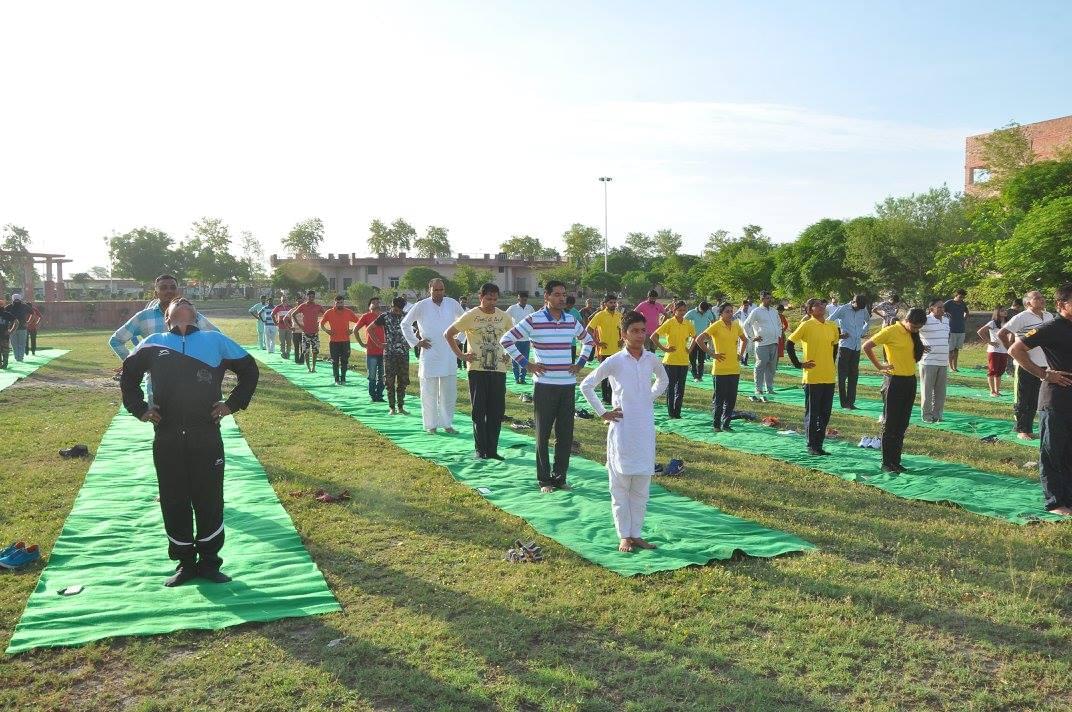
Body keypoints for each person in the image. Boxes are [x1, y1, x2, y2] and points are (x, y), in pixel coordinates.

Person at [119, 298, 259, 586]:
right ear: (167, 318)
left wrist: (232, 404)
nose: (181, 301)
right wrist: (140, 409)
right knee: (173, 499)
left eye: (188, 302)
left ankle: (210, 563)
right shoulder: (153, 342)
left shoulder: (215, 340)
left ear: (196, 315)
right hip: (167, 433)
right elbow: (128, 375)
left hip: (205, 433)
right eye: (175, 304)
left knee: (209, 498)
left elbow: (249, 370)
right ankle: (185, 562)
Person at [580, 310, 668, 552]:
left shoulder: (651, 358)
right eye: (634, 331)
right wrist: (603, 412)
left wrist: (648, 397)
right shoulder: (615, 360)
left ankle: (637, 533)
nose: (640, 335)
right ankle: (624, 535)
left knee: (641, 485)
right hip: (622, 427)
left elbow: (663, 380)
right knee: (620, 484)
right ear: (623, 334)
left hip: (644, 427)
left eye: (643, 330)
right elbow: (586, 385)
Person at [501, 280, 594, 493]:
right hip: (544, 385)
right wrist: (528, 364)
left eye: (564, 294)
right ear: (547, 297)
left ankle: (560, 478)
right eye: (557, 295)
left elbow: (588, 341)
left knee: (565, 434)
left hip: (567, 385)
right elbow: (506, 340)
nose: (562, 298)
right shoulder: (534, 320)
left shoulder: (571, 320)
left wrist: (580, 363)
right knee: (542, 434)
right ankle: (544, 480)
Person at [1010, 283, 1072, 515]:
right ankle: (1055, 502)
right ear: (1060, 304)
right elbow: (1015, 349)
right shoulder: (1050, 327)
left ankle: (1069, 498)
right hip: (1056, 398)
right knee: (1053, 450)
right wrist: (1044, 374)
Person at [109, 275, 217, 403]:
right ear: (156, 293)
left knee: (193, 417)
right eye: (163, 288)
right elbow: (116, 340)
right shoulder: (143, 317)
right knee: (160, 418)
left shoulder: (191, 314)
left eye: (172, 287)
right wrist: (135, 363)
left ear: (178, 292)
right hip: (157, 381)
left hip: (191, 378)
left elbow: (216, 337)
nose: (169, 291)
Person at [446, 283, 514, 460]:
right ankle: (480, 449)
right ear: (480, 297)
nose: (492, 302)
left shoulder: (504, 317)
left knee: (496, 411)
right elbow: (449, 334)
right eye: (488, 298)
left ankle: (492, 450)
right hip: (477, 370)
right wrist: (461, 355)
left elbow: (513, 338)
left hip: (498, 370)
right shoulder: (471, 316)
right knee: (479, 411)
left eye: (494, 299)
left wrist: (508, 354)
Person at [863, 308, 928, 473]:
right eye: (913, 326)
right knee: (891, 423)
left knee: (902, 424)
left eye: (918, 328)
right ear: (906, 319)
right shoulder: (891, 330)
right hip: (894, 381)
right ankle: (887, 462)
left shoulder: (913, 334)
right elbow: (867, 346)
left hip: (909, 381)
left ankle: (896, 461)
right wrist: (880, 366)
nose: (915, 330)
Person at [403, 279, 465, 434]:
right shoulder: (421, 305)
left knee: (449, 392)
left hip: (449, 353)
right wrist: (417, 342)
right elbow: (405, 324)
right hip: (429, 353)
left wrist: (459, 339)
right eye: (436, 290)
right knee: (428, 392)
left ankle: (447, 424)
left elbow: (465, 322)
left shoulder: (452, 303)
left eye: (441, 289)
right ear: (429, 289)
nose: (439, 293)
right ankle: (431, 425)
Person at [786, 298, 840, 455]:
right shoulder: (806, 325)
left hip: (829, 376)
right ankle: (811, 445)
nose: (821, 306)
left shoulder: (832, 326)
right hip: (813, 377)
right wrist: (799, 364)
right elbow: (790, 343)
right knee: (812, 412)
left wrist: (830, 362)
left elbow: (835, 345)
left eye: (821, 304)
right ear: (810, 310)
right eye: (816, 305)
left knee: (825, 413)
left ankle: (819, 444)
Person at [998, 290, 1054, 440]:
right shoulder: (1021, 317)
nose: (1042, 300)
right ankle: (1022, 429)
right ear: (1028, 302)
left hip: (1045, 365)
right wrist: (1011, 350)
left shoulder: (1049, 316)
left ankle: (1030, 428)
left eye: (1042, 297)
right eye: (1037, 298)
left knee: (1036, 398)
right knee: (1023, 397)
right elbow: (1002, 334)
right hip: (1026, 364)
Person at [696, 303, 748, 432]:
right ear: (721, 313)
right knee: (719, 400)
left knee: (731, 399)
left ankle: (726, 423)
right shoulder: (716, 325)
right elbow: (699, 339)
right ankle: (716, 425)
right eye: (727, 312)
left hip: (734, 368)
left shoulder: (736, 325)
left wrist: (740, 354)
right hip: (720, 369)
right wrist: (712, 354)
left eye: (731, 311)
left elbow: (744, 340)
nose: (730, 314)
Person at [652, 300, 694, 418]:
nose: (681, 312)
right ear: (674, 311)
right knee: (671, 388)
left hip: (684, 361)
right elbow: (654, 336)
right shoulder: (669, 322)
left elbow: (695, 337)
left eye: (683, 310)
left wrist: (690, 349)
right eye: (679, 310)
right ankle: (671, 412)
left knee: (680, 388)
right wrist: (664, 348)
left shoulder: (688, 323)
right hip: (670, 361)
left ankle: (677, 412)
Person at [829, 294, 870, 409]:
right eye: (858, 306)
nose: (859, 309)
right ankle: (844, 402)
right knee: (842, 376)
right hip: (845, 346)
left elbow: (868, 321)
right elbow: (828, 321)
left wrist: (862, 332)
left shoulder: (863, 310)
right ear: (853, 302)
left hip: (856, 346)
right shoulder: (843, 309)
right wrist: (839, 335)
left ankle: (851, 402)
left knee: (854, 375)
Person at [742, 290, 782, 402]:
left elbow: (779, 324)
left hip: (774, 342)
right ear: (762, 299)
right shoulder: (756, 311)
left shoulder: (774, 311)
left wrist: (777, 335)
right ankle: (758, 389)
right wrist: (751, 337)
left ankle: (769, 388)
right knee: (760, 367)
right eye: (767, 298)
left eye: (770, 298)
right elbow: (746, 324)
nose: (770, 300)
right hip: (762, 344)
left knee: (771, 367)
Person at [586, 294, 624, 406]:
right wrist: (597, 342)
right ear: (605, 303)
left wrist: (622, 339)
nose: (613, 304)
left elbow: (624, 328)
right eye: (610, 302)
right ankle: (605, 398)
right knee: (604, 375)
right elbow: (589, 329)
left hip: (617, 351)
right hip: (604, 350)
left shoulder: (619, 315)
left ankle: (614, 396)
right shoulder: (600, 315)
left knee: (616, 375)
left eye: (614, 302)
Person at [377, 297, 412, 415]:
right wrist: (378, 343)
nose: (397, 312)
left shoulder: (407, 316)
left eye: (399, 310)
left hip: (403, 354)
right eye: (395, 309)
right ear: (391, 306)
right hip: (390, 354)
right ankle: (391, 407)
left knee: (403, 381)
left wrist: (413, 341)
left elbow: (419, 327)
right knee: (389, 381)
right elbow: (371, 328)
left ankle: (400, 407)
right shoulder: (385, 316)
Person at [918, 299, 950, 423]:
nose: (942, 309)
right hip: (928, 361)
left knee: (940, 392)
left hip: (943, 361)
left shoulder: (947, 321)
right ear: (931, 309)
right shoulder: (925, 320)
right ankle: (926, 415)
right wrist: (920, 346)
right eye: (939, 307)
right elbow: (912, 332)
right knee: (927, 390)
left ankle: (937, 415)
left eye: (943, 307)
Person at [320, 295, 360, 385]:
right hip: (334, 341)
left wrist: (352, 330)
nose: (339, 304)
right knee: (335, 361)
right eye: (337, 302)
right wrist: (327, 331)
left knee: (344, 361)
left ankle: (343, 378)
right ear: (335, 303)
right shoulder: (329, 312)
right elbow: (321, 324)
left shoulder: (348, 312)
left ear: (343, 302)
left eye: (341, 302)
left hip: (345, 341)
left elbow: (359, 322)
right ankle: (337, 379)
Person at [354, 297, 386, 401]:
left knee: (382, 376)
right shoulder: (366, 316)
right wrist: (361, 344)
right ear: (369, 306)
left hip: (384, 351)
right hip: (371, 351)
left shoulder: (384, 316)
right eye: (373, 302)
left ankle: (380, 395)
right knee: (372, 375)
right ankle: (373, 395)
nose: (376, 304)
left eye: (378, 302)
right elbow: (355, 330)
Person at [288, 290, 326, 372]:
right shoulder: (303, 306)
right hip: (305, 332)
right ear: (307, 297)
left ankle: (314, 367)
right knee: (306, 351)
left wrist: (320, 322)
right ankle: (308, 368)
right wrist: (299, 325)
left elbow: (326, 315)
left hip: (315, 332)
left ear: (314, 297)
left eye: (313, 297)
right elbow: (293, 314)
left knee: (315, 351)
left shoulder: (318, 306)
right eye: (309, 297)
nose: (311, 298)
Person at [505, 292, 536, 384]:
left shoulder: (529, 308)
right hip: (515, 339)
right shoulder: (512, 308)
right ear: (518, 299)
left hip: (526, 339)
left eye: (525, 300)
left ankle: (522, 378)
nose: (523, 301)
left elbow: (534, 320)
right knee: (515, 359)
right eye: (521, 299)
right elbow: (505, 317)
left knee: (525, 359)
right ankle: (516, 378)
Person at [977, 306, 1008, 397]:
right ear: (997, 313)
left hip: (1004, 350)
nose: (1005, 312)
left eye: (1005, 310)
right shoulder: (993, 323)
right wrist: (989, 342)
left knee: (1000, 371)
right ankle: (992, 391)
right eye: (1002, 311)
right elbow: (980, 332)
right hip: (994, 350)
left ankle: (997, 391)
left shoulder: (1008, 323)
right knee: (993, 370)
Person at [684, 301, 716, 381]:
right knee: (692, 358)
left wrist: (710, 332)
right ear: (699, 308)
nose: (704, 312)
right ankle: (695, 375)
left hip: (703, 339)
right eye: (702, 311)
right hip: (693, 339)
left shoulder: (708, 312)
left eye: (705, 311)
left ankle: (700, 376)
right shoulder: (692, 312)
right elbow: (684, 320)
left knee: (701, 359)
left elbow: (713, 321)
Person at [943, 289, 969, 372]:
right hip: (951, 329)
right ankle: (950, 367)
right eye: (960, 297)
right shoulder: (949, 303)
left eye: (963, 297)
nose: (961, 299)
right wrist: (945, 317)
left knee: (956, 349)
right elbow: (941, 310)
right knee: (950, 349)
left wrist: (964, 318)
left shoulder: (962, 303)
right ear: (956, 295)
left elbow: (967, 311)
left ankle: (955, 366)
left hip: (961, 329)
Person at [5, 294, 32, 363]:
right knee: (16, 344)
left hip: (20, 328)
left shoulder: (23, 306)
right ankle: (18, 358)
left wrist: (28, 322)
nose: (16, 301)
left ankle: (19, 357)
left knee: (19, 344)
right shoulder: (9, 307)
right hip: (13, 328)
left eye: (17, 299)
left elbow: (32, 313)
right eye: (16, 299)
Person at [271, 294, 293, 360]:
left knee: (289, 341)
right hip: (281, 327)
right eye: (283, 299)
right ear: (281, 300)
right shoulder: (278, 307)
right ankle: (283, 352)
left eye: (285, 299)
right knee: (282, 341)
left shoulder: (290, 307)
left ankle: (288, 352)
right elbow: (272, 314)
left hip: (289, 327)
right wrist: (275, 322)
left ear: (287, 299)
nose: (284, 300)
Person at [733, 299, 753, 366]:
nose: (746, 307)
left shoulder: (749, 313)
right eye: (745, 305)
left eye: (747, 305)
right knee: (742, 346)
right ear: (742, 305)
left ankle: (745, 361)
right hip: (741, 332)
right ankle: (741, 359)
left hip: (748, 332)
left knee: (748, 347)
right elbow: (732, 319)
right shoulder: (739, 313)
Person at [565, 296, 584, 362]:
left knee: (571, 363)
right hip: (561, 342)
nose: (570, 306)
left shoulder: (575, 312)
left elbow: (581, 322)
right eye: (568, 304)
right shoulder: (559, 311)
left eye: (572, 305)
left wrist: (580, 333)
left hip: (572, 342)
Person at [0, 302, 13, 369]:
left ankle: (4, 364)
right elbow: (16, 322)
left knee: (5, 351)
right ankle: (4, 364)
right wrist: (11, 331)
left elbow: (16, 322)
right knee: (5, 351)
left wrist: (11, 331)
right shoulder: (7, 314)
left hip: (4, 336)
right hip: (5, 336)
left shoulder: (7, 314)